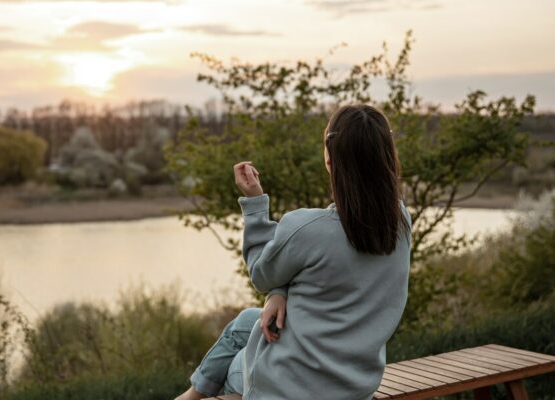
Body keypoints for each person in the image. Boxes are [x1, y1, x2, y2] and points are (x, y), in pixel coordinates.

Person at [175, 104, 412, 400]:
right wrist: (280, 292)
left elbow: (262, 273)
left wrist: (255, 205)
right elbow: (329, 265)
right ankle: (191, 395)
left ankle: (196, 394)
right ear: (387, 155)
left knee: (235, 361)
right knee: (248, 321)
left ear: (329, 158)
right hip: (354, 386)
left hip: (287, 389)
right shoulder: (399, 222)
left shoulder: (307, 229)